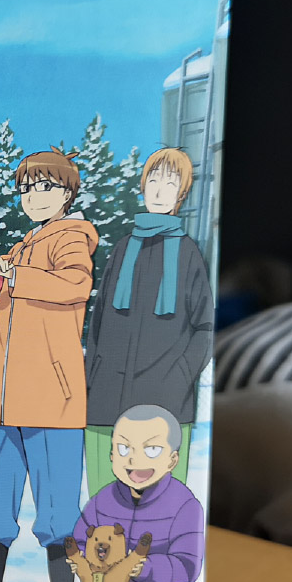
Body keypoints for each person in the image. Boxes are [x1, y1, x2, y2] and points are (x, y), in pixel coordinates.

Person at [0, 149, 98, 582]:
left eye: (45, 187)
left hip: (50, 400)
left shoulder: (72, 238)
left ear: (67, 193)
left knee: (57, 509)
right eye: (27, 189)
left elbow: (75, 284)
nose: (34, 197)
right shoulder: (24, 245)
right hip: (4, 402)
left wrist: (16, 277)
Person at [29, 404, 205, 582]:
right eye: (124, 448)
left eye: (151, 450)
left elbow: (187, 567)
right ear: (112, 455)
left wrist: (146, 568)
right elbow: (82, 537)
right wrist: (82, 561)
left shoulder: (186, 505)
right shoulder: (103, 499)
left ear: (172, 460)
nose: (135, 459)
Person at [84, 148, 214, 495]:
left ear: (181, 194)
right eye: (153, 180)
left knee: (162, 502)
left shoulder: (188, 253)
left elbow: (205, 327)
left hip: (165, 398)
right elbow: (99, 317)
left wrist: (181, 374)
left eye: (170, 183)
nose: (159, 190)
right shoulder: (123, 248)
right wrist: (94, 373)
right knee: (105, 496)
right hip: (108, 396)